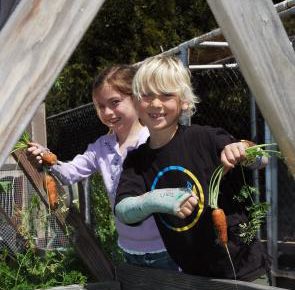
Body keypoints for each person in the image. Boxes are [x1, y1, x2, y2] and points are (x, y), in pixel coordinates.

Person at [115, 56, 270, 281]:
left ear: (185, 102)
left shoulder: (205, 138)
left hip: (246, 269)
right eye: (147, 95)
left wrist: (244, 149)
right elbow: (123, 211)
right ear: (137, 102)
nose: (156, 103)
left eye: (166, 95)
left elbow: (262, 159)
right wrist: (152, 199)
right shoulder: (137, 161)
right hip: (194, 276)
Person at [27, 64, 179, 271]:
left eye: (115, 102)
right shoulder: (102, 147)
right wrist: (46, 157)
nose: (107, 112)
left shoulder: (153, 140)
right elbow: (69, 173)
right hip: (128, 248)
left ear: (136, 98)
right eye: (100, 106)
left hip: (166, 247)